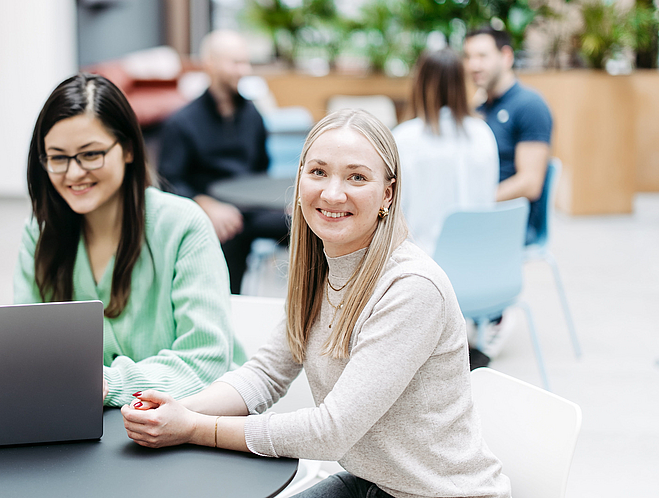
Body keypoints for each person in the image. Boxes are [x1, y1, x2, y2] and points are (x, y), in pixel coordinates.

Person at [121, 109, 510, 498]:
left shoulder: (412, 287)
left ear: (387, 195)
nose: (332, 193)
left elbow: (331, 431)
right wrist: (180, 409)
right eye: (318, 172)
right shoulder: (317, 270)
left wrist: (194, 428)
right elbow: (265, 374)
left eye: (357, 177)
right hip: (372, 481)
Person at [14, 72, 241, 408]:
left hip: (190, 424)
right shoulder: (41, 231)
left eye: (91, 154)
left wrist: (109, 383)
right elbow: (26, 351)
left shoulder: (182, 225)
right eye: (58, 158)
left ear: (129, 150)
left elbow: (205, 359)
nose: (74, 173)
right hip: (88, 429)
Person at [157, 29, 289, 294]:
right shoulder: (182, 122)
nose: (244, 70)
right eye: (235, 62)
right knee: (227, 231)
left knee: (305, 224)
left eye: (246, 62)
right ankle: (228, 309)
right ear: (210, 64)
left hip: (252, 208)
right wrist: (206, 205)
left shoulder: (252, 114)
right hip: (211, 209)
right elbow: (169, 181)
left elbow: (262, 167)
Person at [394, 48, 499, 256]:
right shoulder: (483, 133)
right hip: (482, 260)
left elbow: (393, 213)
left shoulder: (403, 138)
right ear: (462, 84)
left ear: (419, 84)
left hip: (423, 264)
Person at [464, 27, 553, 244]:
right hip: (482, 213)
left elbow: (530, 183)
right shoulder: (481, 106)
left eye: (482, 56)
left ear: (506, 57)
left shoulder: (529, 105)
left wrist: (473, 201)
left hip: (511, 221)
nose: (474, 65)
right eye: (468, 57)